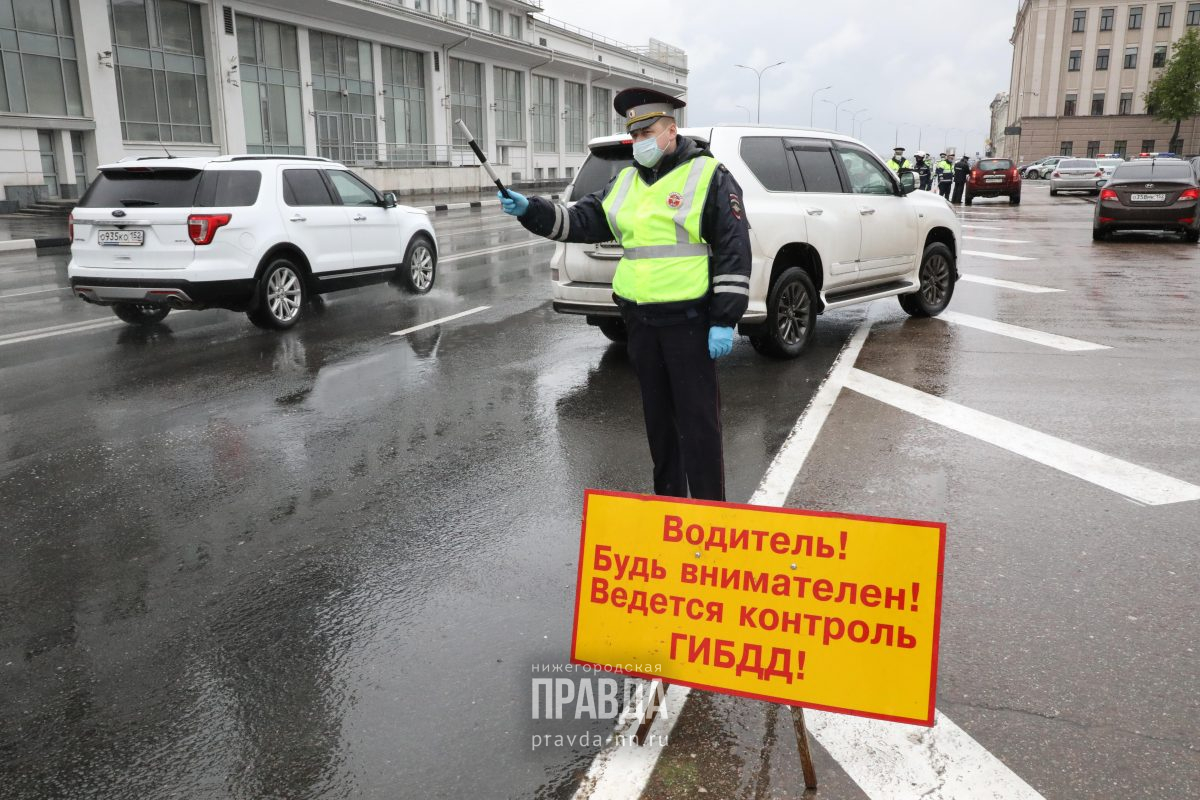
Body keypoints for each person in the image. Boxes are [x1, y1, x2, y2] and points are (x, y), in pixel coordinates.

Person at [497, 87, 751, 502]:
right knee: (659, 426)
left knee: (698, 424)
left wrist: (724, 319)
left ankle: (709, 517)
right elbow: (581, 221)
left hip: (689, 322)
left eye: (647, 132)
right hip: (641, 323)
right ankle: (667, 508)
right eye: (634, 136)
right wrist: (532, 210)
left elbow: (733, 248)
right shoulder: (626, 182)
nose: (640, 143)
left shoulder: (709, 175)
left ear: (671, 131)